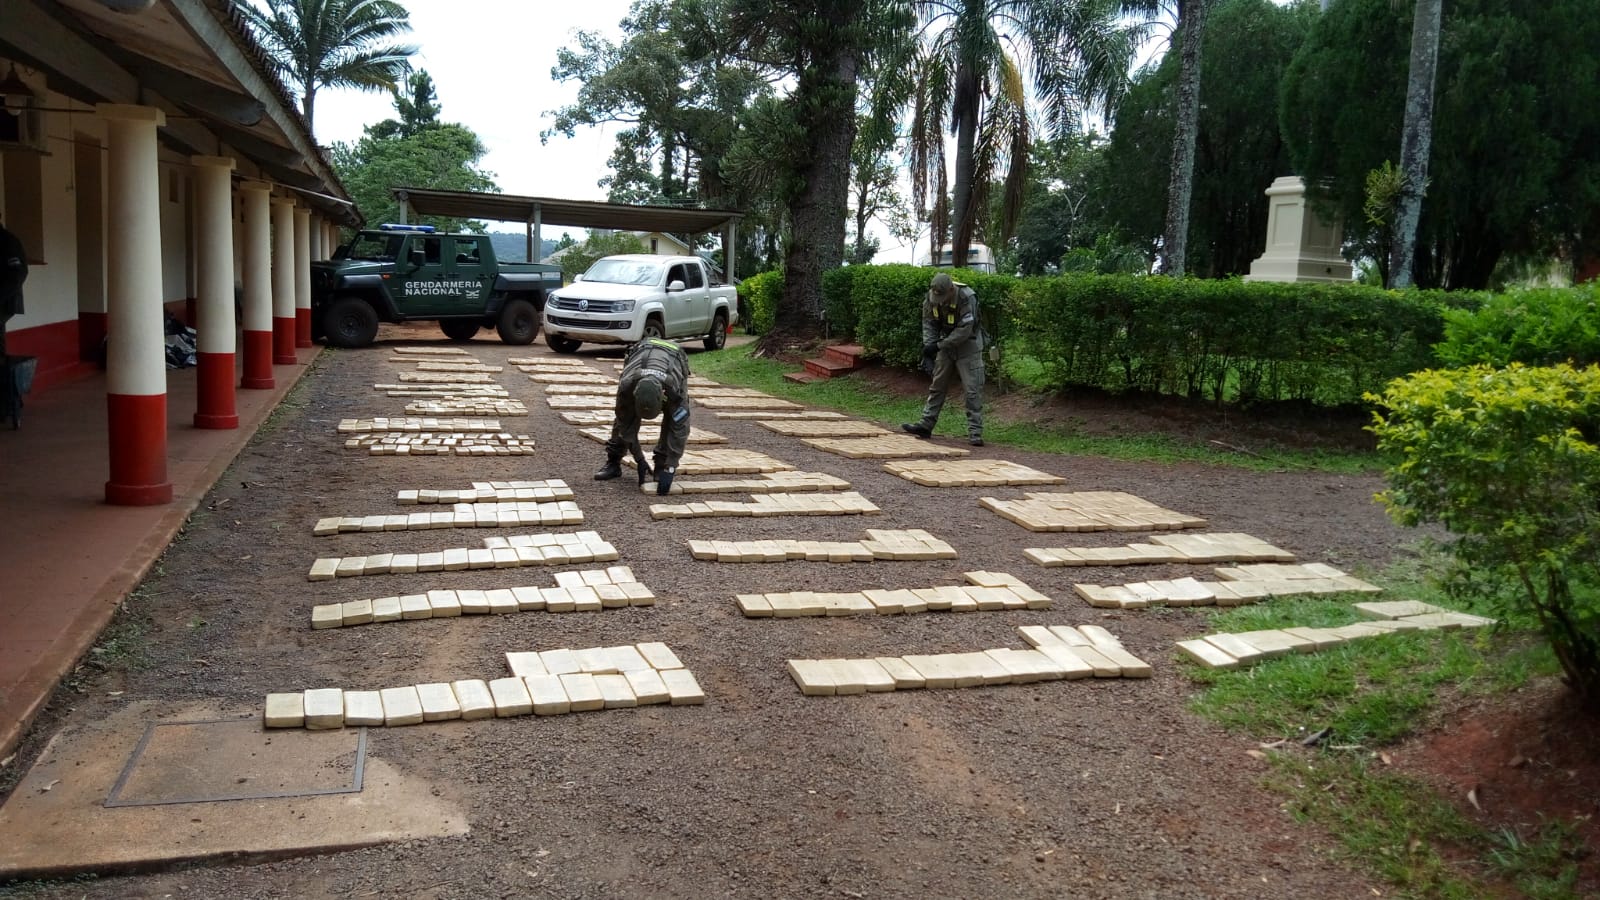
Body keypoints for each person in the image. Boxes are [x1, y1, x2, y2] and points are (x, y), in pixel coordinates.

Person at [595, 337, 691, 495]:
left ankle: (661, 466)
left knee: (672, 420)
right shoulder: (627, 385)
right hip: (640, 353)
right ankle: (613, 462)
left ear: (663, 397)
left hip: (674, 357)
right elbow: (625, 424)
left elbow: (680, 430)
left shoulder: (674, 392)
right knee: (623, 418)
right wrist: (639, 459)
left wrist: (671, 466)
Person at [902, 272, 985, 446]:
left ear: (950, 289)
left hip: (967, 345)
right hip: (945, 343)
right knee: (937, 385)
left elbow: (965, 330)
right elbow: (929, 323)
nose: (939, 300)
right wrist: (929, 348)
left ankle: (975, 432)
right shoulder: (931, 297)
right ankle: (926, 424)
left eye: (942, 296)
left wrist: (939, 346)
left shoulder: (966, 297)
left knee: (972, 389)